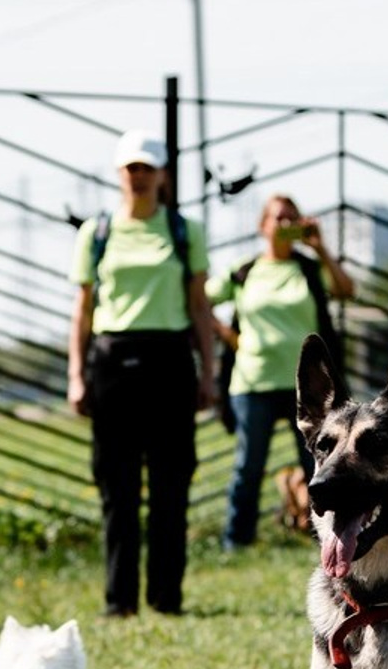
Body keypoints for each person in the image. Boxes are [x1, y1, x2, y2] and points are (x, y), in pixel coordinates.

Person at [67, 129, 215, 617]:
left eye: (147, 168)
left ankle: (167, 598)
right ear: (119, 173)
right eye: (132, 168)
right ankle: (120, 600)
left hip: (169, 359)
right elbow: (83, 310)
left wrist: (208, 372)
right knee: (118, 487)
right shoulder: (97, 233)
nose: (139, 177)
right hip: (113, 360)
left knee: (172, 484)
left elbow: (199, 305)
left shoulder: (184, 231)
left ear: (162, 175)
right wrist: (76, 374)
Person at [207, 193, 354, 550]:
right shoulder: (244, 271)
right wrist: (226, 334)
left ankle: (329, 539)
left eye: (293, 218)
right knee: (248, 467)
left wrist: (320, 249)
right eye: (279, 218)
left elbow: (346, 290)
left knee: (319, 464)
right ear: (263, 226)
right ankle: (236, 543)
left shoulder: (309, 268)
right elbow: (199, 298)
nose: (286, 224)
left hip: (309, 389)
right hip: (252, 382)